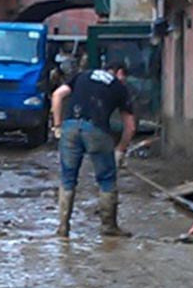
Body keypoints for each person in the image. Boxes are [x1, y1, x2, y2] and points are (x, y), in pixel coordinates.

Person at [50, 59, 136, 237]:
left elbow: (57, 95)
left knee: (67, 178)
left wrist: (57, 126)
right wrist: (120, 149)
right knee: (106, 179)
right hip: (97, 130)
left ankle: (63, 227)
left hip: (70, 127)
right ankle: (108, 227)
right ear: (119, 72)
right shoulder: (118, 86)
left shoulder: (83, 76)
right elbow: (130, 126)